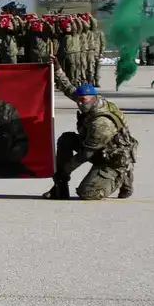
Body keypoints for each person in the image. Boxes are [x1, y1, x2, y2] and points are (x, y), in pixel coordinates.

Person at [44, 57, 138, 200]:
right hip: (99, 150)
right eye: (79, 100)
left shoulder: (101, 122)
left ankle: (121, 176)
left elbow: (84, 155)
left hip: (112, 159)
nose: (81, 104)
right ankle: (61, 188)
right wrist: (57, 69)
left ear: (94, 98)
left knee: (87, 193)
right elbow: (68, 88)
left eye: (84, 101)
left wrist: (62, 172)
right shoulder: (90, 101)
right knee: (67, 139)